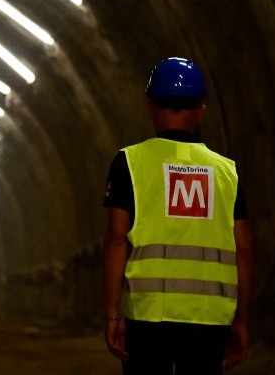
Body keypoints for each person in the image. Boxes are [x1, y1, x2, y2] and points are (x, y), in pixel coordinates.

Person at [102, 57, 253, 374]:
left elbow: (117, 238)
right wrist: (241, 319)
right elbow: (244, 248)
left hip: (147, 316)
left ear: (151, 106)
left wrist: (113, 314)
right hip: (209, 318)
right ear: (201, 109)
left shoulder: (129, 162)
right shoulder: (227, 172)